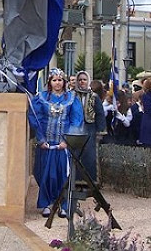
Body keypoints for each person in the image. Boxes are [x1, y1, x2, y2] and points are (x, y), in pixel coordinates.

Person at [28, 68, 83, 218]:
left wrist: (67, 140)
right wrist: (41, 139)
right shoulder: (41, 98)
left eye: (60, 80)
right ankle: (46, 203)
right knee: (45, 174)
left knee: (62, 175)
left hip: (63, 146)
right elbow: (35, 118)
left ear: (64, 82)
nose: (57, 83)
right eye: (54, 80)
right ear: (49, 82)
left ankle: (63, 205)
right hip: (46, 145)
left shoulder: (71, 98)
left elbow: (76, 120)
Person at [73, 70, 106, 183]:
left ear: (88, 81)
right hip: (75, 129)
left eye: (84, 79)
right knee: (76, 154)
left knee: (89, 155)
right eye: (80, 80)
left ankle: (90, 181)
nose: (82, 82)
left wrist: (100, 131)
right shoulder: (72, 95)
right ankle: (75, 180)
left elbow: (100, 114)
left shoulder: (94, 96)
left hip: (90, 129)